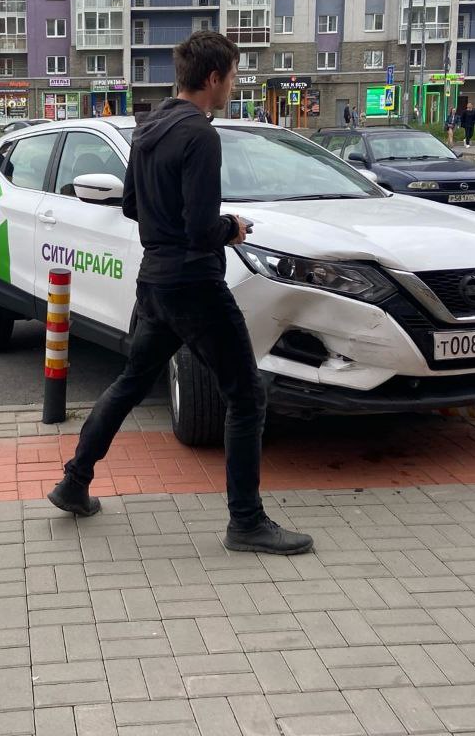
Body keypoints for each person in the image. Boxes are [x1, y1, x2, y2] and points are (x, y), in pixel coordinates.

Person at [47, 30, 314, 557]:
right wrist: (231, 227)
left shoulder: (148, 128)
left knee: (130, 383)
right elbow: (200, 228)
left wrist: (169, 225)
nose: (232, 86)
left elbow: (130, 205)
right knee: (246, 396)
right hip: (195, 284)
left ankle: (74, 482)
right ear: (213, 78)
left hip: (155, 282)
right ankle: (247, 522)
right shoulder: (199, 134)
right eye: (232, 77)